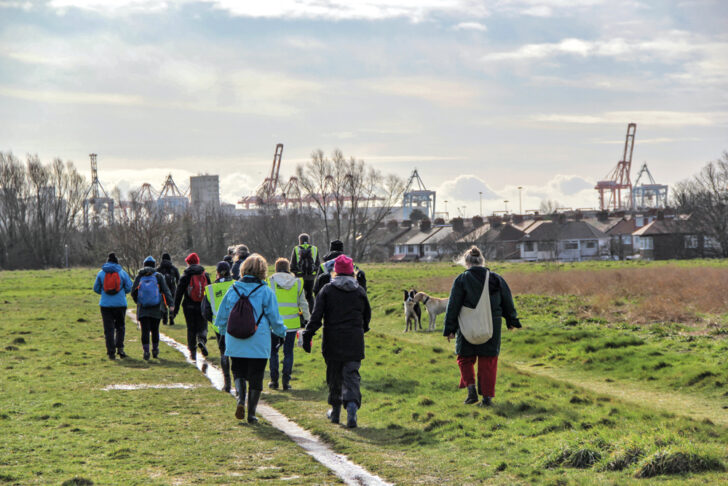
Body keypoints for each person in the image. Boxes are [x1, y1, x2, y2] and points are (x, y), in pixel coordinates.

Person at [443, 246, 521, 407]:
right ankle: (486, 399)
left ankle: (471, 390)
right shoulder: (496, 278)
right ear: (482, 260)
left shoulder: (461, 279)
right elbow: (507, 300)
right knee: (488, 361)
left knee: (464, 357)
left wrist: (450, 329)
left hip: (467, 325)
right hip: (492, 324)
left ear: (467, 262)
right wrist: (511, 320)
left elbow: (453, 305)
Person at [214, 254, 286, 423]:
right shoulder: (266, 291)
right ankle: (252, 414)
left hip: (235, 337)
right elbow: (274, 319)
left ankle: (240, 400)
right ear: (262, 271)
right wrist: (282, 333)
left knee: (238, 371)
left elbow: (221, 318)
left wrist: (224, 334)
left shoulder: (233, 289)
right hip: (258, 340)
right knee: (256, 375)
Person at [302, 254, 371, 428]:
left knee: (334, 376)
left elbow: (316, 317)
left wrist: (308, 335)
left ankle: (335, 411)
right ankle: (352, 407)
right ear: (352, 272)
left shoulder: (326, 290)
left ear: (335, 272)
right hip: (354, 340)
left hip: (332, 340)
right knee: (352, 375)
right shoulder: (359, 291)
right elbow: (367, 316)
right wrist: (363, 329)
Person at [267, 257, 311, 390]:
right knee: (288, 353)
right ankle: (286, 382)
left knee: (273, 352)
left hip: (274, 323)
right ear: (288, 268)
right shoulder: (297, 283)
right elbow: (303, 303)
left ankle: (274, 381)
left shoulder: (270, 281)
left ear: (276, 268)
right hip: (291, 324)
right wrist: (308, 320)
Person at [131, 256, 174, 360]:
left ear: (144, 265)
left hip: (143, 309)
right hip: (156, 308)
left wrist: (139, 301)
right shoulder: (158, 276)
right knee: (155, 330)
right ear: (154, 265)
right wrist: (170, 304)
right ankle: (155, 350)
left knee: (144, 331)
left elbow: (133, 292)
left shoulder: (139, 276)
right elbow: (166, 291)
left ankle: (146, 351)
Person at [202, 261, 235, 392]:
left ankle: (227, 383)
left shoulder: (210, 289)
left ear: (217, 273)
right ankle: (239, 384)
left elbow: (205, 311)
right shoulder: (236, 285)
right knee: (237, 354)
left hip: (219, 326)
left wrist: (214, 321)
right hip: (236, 325)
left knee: (224, 353)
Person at [93, 252, 133, 360]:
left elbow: (96, 288)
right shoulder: (122, 272)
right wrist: (122, 292)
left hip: (105, 305)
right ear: (117, 262)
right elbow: (129, 287)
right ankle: (120, 349)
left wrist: (105, 293)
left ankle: (111, 352)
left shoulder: (101, 273)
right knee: (120, 327)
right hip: (120, 304)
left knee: (109, 329)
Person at [173, 252, 212, 360]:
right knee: (203, 325)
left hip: (188, 306)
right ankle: (202, 340)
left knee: (191, 328)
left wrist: (175, 310)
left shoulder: (186, 274)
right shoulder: (204, 274)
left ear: (188, 263)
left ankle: (192, 352)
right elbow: (210, 291)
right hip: (202, 305)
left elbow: (179, 293)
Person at [290, 233, 320, 312]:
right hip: (311, 277)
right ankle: (311, 313)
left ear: (300, 241)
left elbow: (292, 265)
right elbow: (317, 264)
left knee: (300, 296)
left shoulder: (296, 249)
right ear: (308, 240)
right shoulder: (314, 248)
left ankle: (302, 314)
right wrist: (314, 273)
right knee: (310, 296)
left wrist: (296, 274)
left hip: (299, 277)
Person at [156, 253, 180, 326]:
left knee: (163, 303)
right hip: (172, 288)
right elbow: (178, 279)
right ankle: (171, 317)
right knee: (171, 303)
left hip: (162, 290)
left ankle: (164, 318)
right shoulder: (174, 268)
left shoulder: (159, 268)